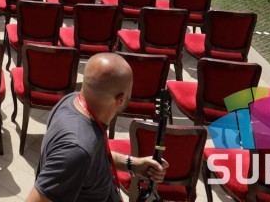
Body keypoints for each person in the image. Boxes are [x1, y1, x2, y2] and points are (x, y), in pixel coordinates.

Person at [27, 52, 166, 202]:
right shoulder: (76, 151)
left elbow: (94, 157)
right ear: (121, 99)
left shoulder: (72, 101)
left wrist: (132, 164)